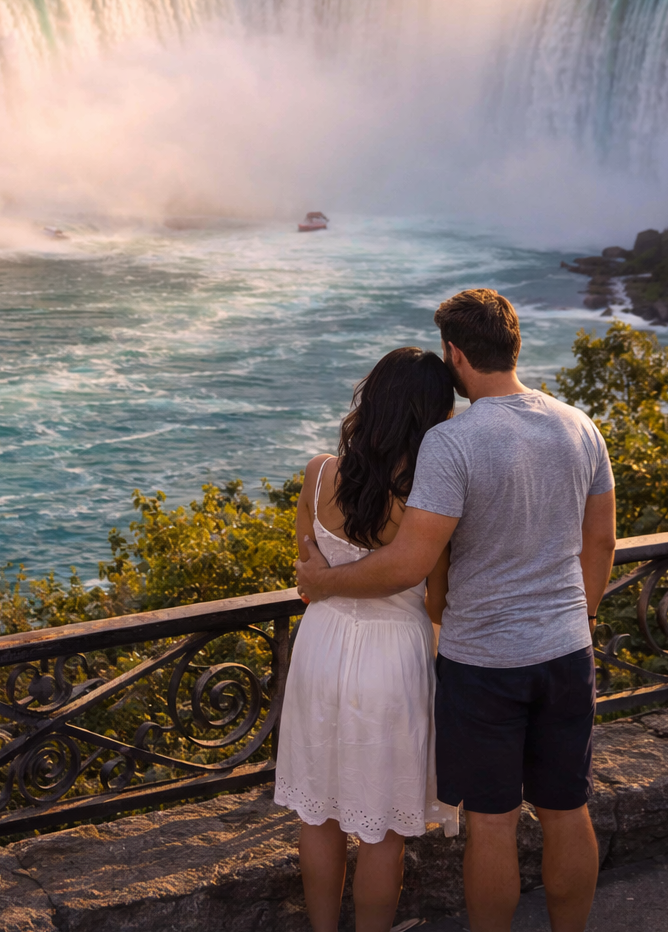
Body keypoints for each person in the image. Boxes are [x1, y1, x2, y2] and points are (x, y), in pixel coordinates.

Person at [296, 290, 617, 932]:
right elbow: (602, 542)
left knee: (493, 824)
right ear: (514, 344)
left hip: (484, 661)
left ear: (456, 354)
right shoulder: (579, 425)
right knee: (567, 809)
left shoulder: (451, 442)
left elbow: (409, 564)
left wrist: (324, 582)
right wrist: (578, 620)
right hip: (564, 649)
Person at [274, 347, 459, 932]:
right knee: (383, 830)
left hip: (321, 646)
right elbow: (435, 600)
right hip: (393, 654)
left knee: (319, 815)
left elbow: (308, 577)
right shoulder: (425, 494)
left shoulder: (319, 474)